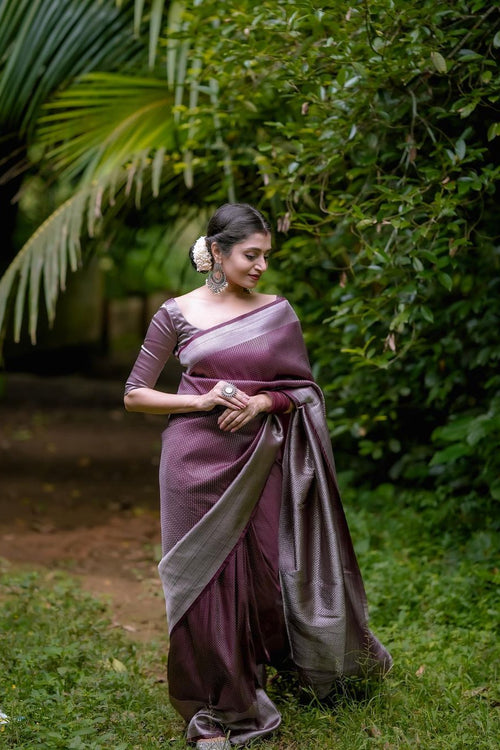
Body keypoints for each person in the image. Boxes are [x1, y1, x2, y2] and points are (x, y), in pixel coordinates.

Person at [124, 203, 392, 749]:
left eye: (267, 255)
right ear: (217, 253)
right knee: (201, 581)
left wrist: (263, 401)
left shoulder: (277, 312)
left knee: (261, 572)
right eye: (251, 254)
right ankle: (215, 706)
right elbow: (135, 395)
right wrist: (202, 404)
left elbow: (302, 391)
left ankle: (260, 674)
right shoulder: (175, 313)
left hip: (261, 457)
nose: (261, 266)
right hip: (191, 460)